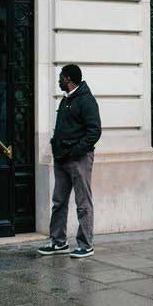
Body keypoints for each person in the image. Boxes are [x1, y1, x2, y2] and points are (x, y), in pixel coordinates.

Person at [38, 64, 102, 258]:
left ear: (67, 78)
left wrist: (75, 151)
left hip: (78, 159)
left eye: (61, 77)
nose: (59, 80)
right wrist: (56, 146)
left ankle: (86, 245)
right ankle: (59, 242)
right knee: (59, 201)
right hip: (62, 159)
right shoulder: (66, 100)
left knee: (83, 203)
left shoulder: (86, 100)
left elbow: (94, 131)